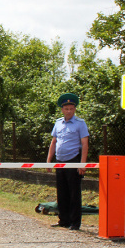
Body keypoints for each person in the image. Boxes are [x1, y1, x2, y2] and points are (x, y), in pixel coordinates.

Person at [47, 93, 89, 230]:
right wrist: (49, 161)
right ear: (62, 109)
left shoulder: (80, 124)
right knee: (62, 192)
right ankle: (63, 220)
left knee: (74, 193)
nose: (69, 111)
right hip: (60, 161)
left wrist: (82, 164)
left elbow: (85, 144)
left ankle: (75, 223)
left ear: (75, 109)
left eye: (71, 108)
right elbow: (53, 142)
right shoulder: (58, 123)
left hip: (73, 160)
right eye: (66, 109)